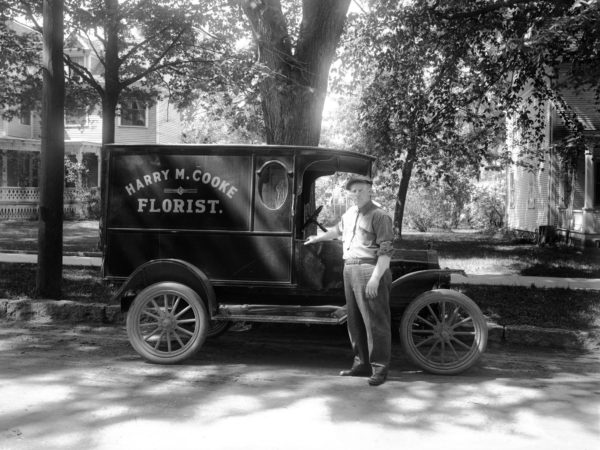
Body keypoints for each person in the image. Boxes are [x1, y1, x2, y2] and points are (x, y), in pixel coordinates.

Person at [305, 174, 394, 386]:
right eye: (353, 191)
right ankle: (361, 363)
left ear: (370, 190)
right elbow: (337, 230)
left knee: (375, 322)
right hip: (350, 269)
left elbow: (386, 252)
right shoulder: (350, 214)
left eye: (361, 190)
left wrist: (375, 278)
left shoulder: (380, 216)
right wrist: (317, 237)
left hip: (369, 269)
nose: (356, 194)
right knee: (354, 321)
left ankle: (379, 368)